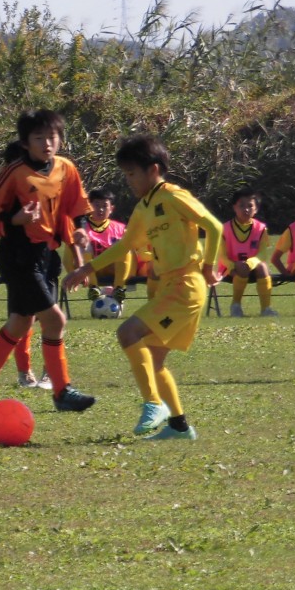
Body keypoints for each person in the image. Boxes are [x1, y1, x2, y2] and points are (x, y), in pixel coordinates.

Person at [64, 135, 223, 440]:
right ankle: (179, 426)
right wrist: (86, 268)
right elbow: (125, 245)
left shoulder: (174, 197)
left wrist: (208, 266)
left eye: (132, 174)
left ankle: (154, 403)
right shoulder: (143, 208)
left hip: (186, 286)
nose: (129, 181)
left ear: (153, 170)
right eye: (126, 175)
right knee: (153, 358)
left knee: (128, 333)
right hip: (169, 286)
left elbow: (214, 227)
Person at [0, 110, 96, 413]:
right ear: (25, 143)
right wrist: (15, 218)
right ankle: (62, 390)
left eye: (52, 137)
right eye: (39, 138)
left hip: (45, 253)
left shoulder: (66, 168)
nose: (47, 143)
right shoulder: (15, 172)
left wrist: (80, 230)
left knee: (20, 323)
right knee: (55, 320)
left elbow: (78, 205)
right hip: (18, 254)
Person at [63, 187, 133, 306]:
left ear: (111, 209)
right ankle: (93, 288)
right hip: (88, 272)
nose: (100, 209)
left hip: (112, 270)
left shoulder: (119, 229)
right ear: (88, 207)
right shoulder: (81, 229)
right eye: (96, 205)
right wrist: (73, 273)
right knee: (84, 247)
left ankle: (119, 289)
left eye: (104, 206)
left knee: (124, 248)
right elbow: (68, 256)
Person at [219, 188, 277, 317]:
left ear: (256, 209)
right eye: (241, 206)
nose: (246, 209)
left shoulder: (261, 228)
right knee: (241, 266)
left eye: (250, 206)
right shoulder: (225, 228)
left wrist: (250, 263)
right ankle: (236, 305)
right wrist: (232, 266)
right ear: (234, 207)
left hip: (252, 266)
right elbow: (222, 256)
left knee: (263, 266)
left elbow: (262, 254)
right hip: (230, 268)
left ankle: (266, 308)